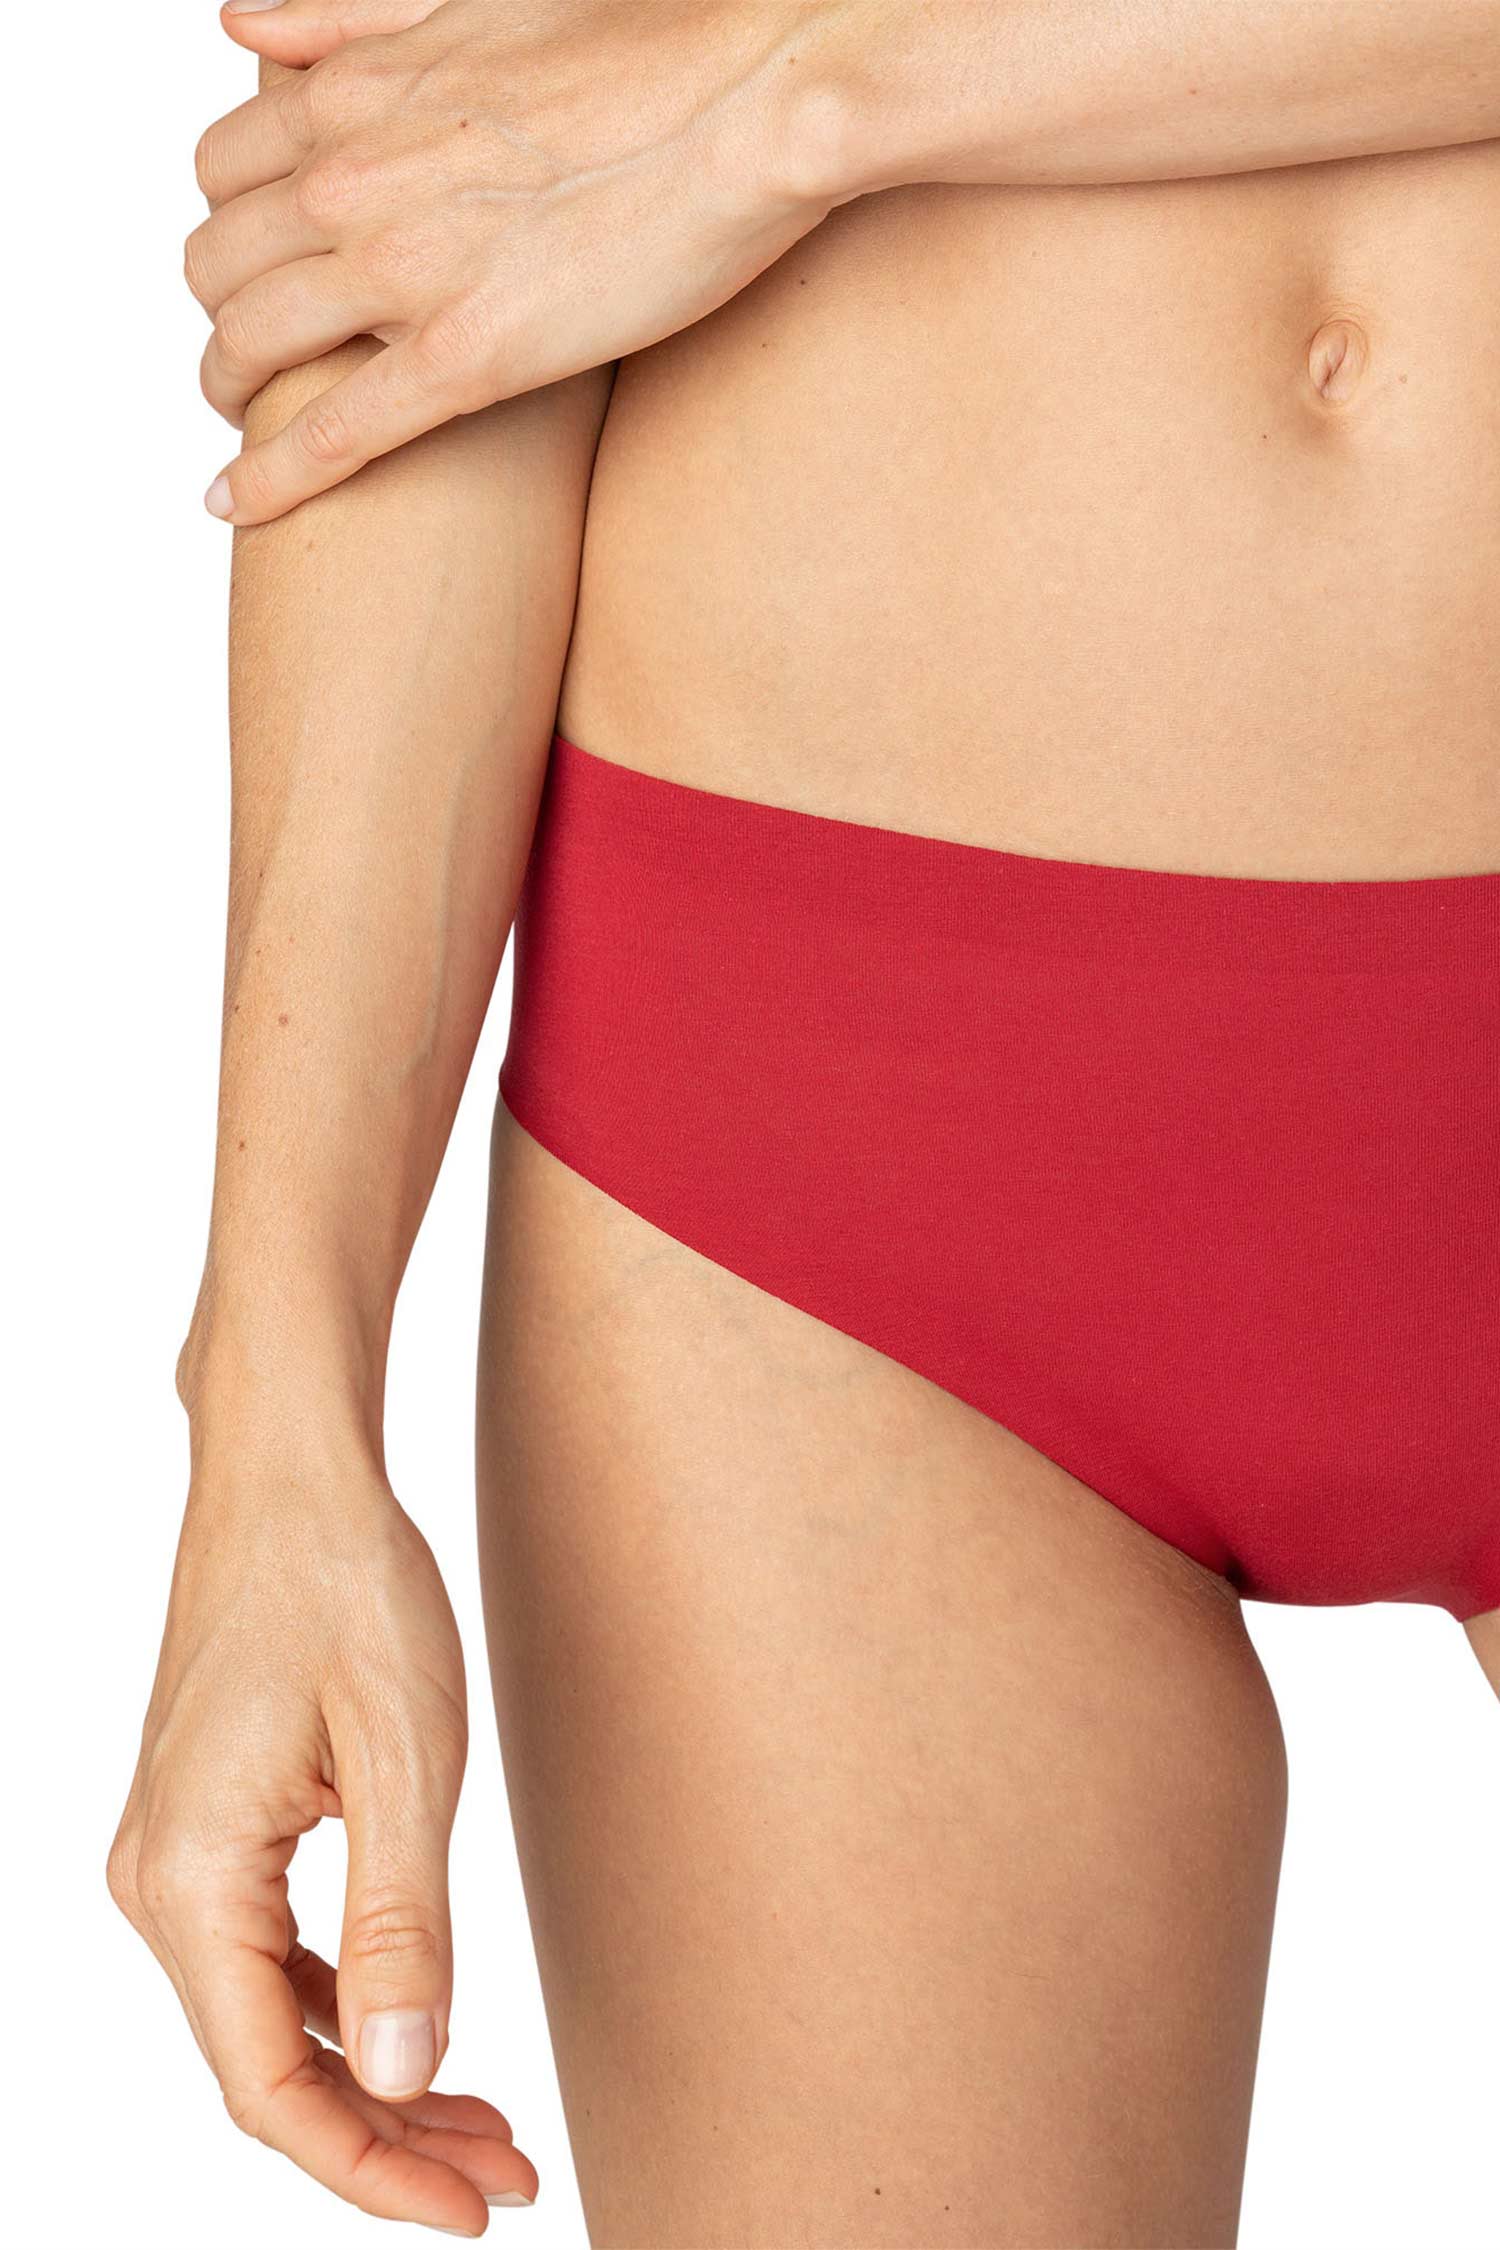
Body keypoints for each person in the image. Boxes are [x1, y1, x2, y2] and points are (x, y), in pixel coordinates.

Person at [108, 3, 1500, 2242]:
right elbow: (443, 179)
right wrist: (275, 1387)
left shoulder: (775, 92)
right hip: (814, 1176)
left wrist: (791, 91)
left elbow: (626, 128)